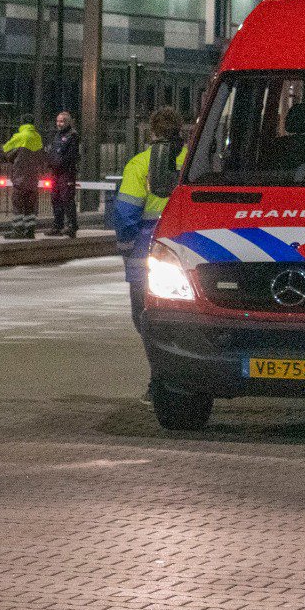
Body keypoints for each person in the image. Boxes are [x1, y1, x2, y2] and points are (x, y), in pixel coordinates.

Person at [112, 107, 187, 400]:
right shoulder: (195, 162)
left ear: (152, 132)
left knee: (144, 318)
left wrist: (125, 246)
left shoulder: (140, 164)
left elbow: (126, 212)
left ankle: (160, 380)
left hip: (146, 252)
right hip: (187, 249)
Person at [0, 120, 45, 238]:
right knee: (30, 205)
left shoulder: (20, 136)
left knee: (18, 203)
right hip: (33, 178)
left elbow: (5, 150)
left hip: (20, 177)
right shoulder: (37, 137)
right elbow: (41, 157)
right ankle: (30, 231)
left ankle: (18, 231)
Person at [45, 110, 82, 237]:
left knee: (67, 198)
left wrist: (60, 164)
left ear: (68, 122)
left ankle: (72, 225)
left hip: (66, 172)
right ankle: (58, 225)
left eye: (62, 121)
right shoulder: (57, 136)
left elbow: (71, 155)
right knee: (55, 198)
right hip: (56, 172)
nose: (59, 124)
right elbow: (53, 152)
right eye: (58, 121)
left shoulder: (73, 135)